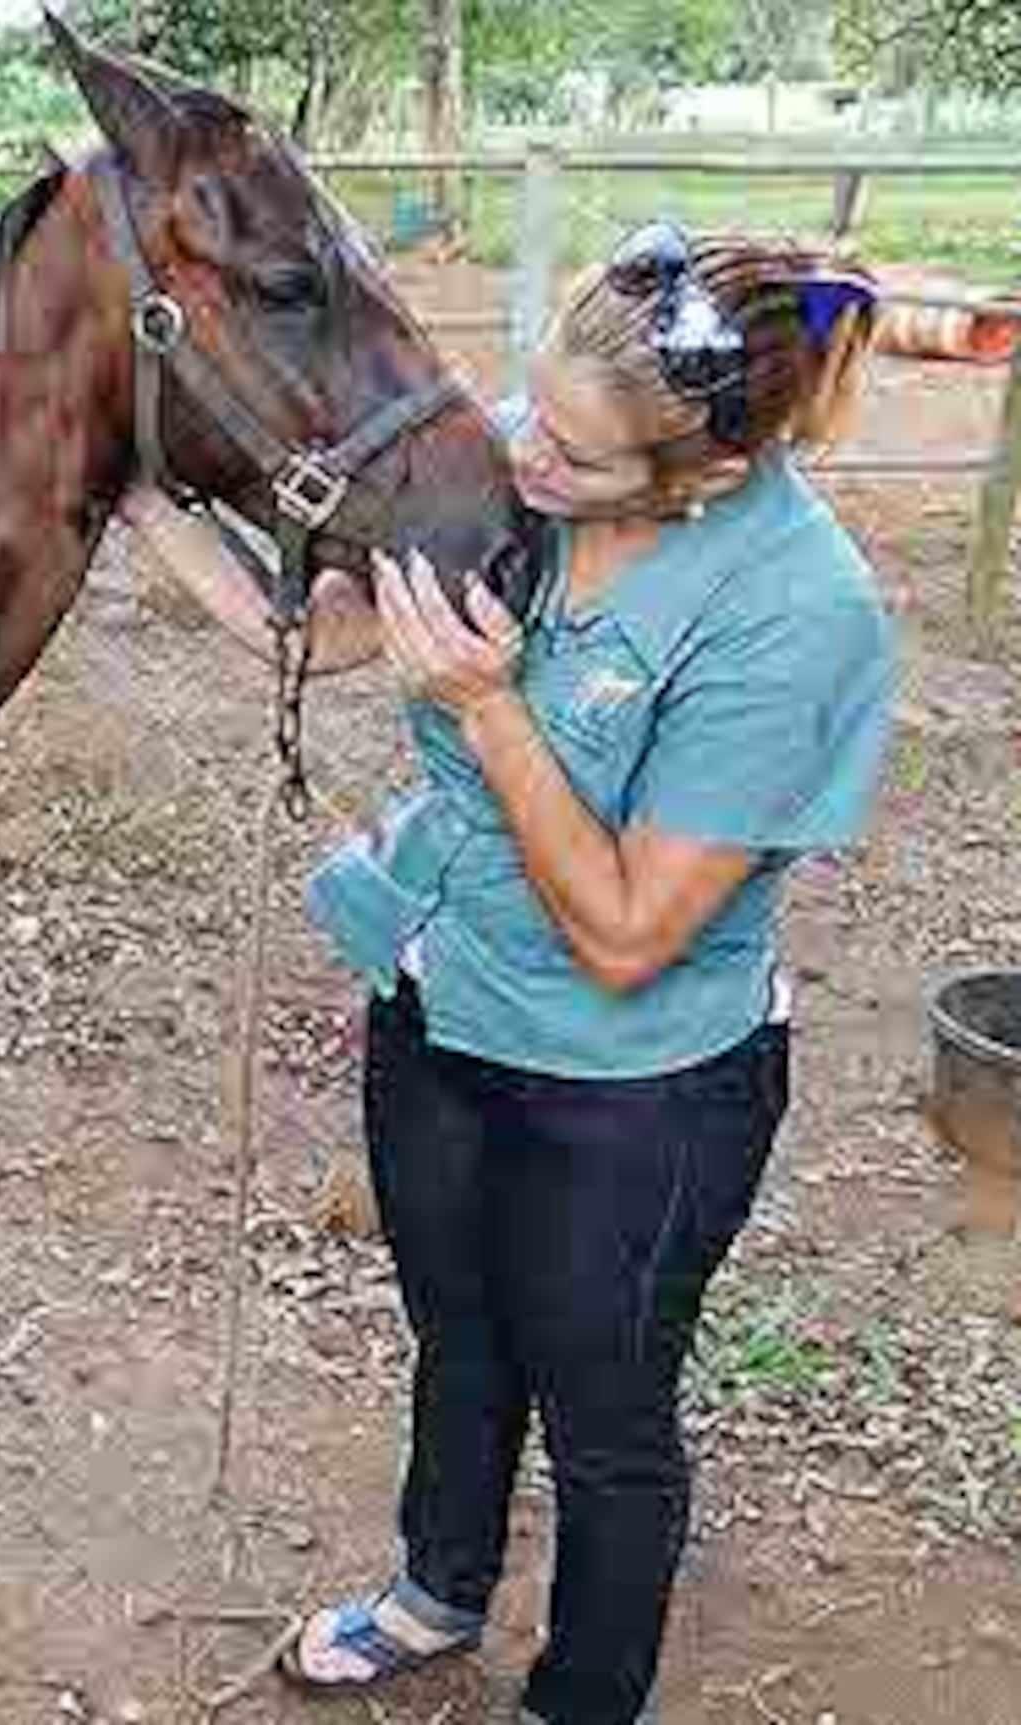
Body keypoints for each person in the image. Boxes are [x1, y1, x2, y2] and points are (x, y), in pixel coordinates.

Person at [120, 222, 899, 1725]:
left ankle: (586, 1694)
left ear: (711, 476)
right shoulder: (521, 476)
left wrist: (486, 710)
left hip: (637, 1091)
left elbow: (625, 933)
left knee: (603, 1410)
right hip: (444, 1004)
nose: (529, 455)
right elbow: (313, 626)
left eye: (581, 456)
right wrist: (133, 489)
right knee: (459, 1331)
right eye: (534, 407)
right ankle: (436, 1588)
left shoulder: (798, 614)